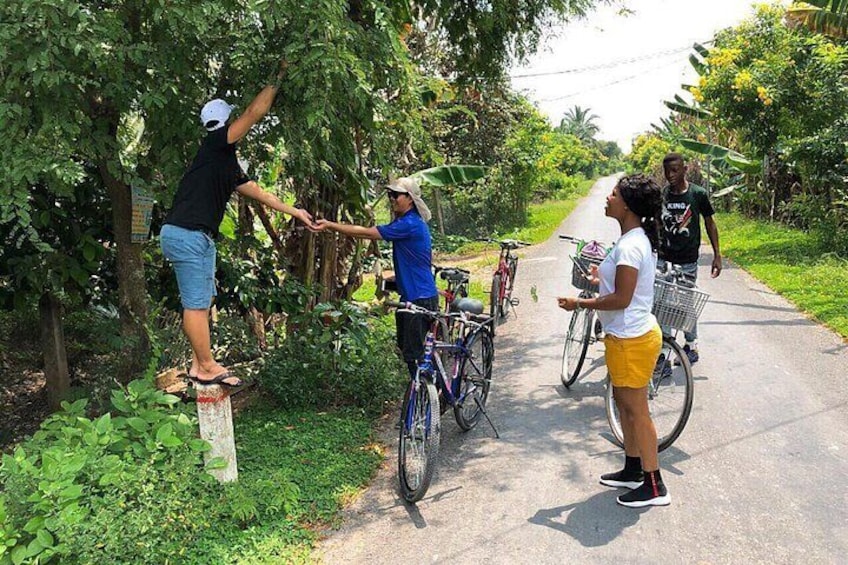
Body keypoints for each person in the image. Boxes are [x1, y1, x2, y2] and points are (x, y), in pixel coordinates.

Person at [160, 66, 315, 387]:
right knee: (196, 304)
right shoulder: (216, 143)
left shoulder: (224, 162)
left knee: (203, 301)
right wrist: (279, 74)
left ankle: (197, 363)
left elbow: (260, 193)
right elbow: (255, 111)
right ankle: (205, 366)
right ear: (223, 123)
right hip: (187, 234)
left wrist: (296, 213)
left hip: (196, 237)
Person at [558, 174, 670, 508]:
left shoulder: (631, 245)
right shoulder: (629, 240)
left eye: (614, 194)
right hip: (625, 336)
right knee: (625, 406)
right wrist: (598, 277)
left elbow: (622, 298)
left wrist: (580, 303)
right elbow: (618, 286)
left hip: (632, 339)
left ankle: (654, 485)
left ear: (629, 206)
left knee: (637, 411)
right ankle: (634, 469)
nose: (608, 198)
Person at [314, 177, 438, 379]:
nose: (391, 198)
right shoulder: (408, 222)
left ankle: (427, 397)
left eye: (395, 195)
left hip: (419, 298)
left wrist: (330, 225)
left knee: (415, 358)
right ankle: (428, 393)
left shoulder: (410, 224)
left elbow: (367, 233)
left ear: (410, 198)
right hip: (412, 297)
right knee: (410, 354)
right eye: (390, 194)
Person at [659, 153, 722, 364]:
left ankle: (691, 344)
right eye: (667, 171)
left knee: (686, 302)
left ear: (685, 170)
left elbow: (710, 223)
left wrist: (717, 255)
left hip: (687, 259)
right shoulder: (663, 195)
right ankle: (664, 352)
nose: (670, 175)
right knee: (662, 303)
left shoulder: (698, 194)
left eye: (675, 170)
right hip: (664, 258)